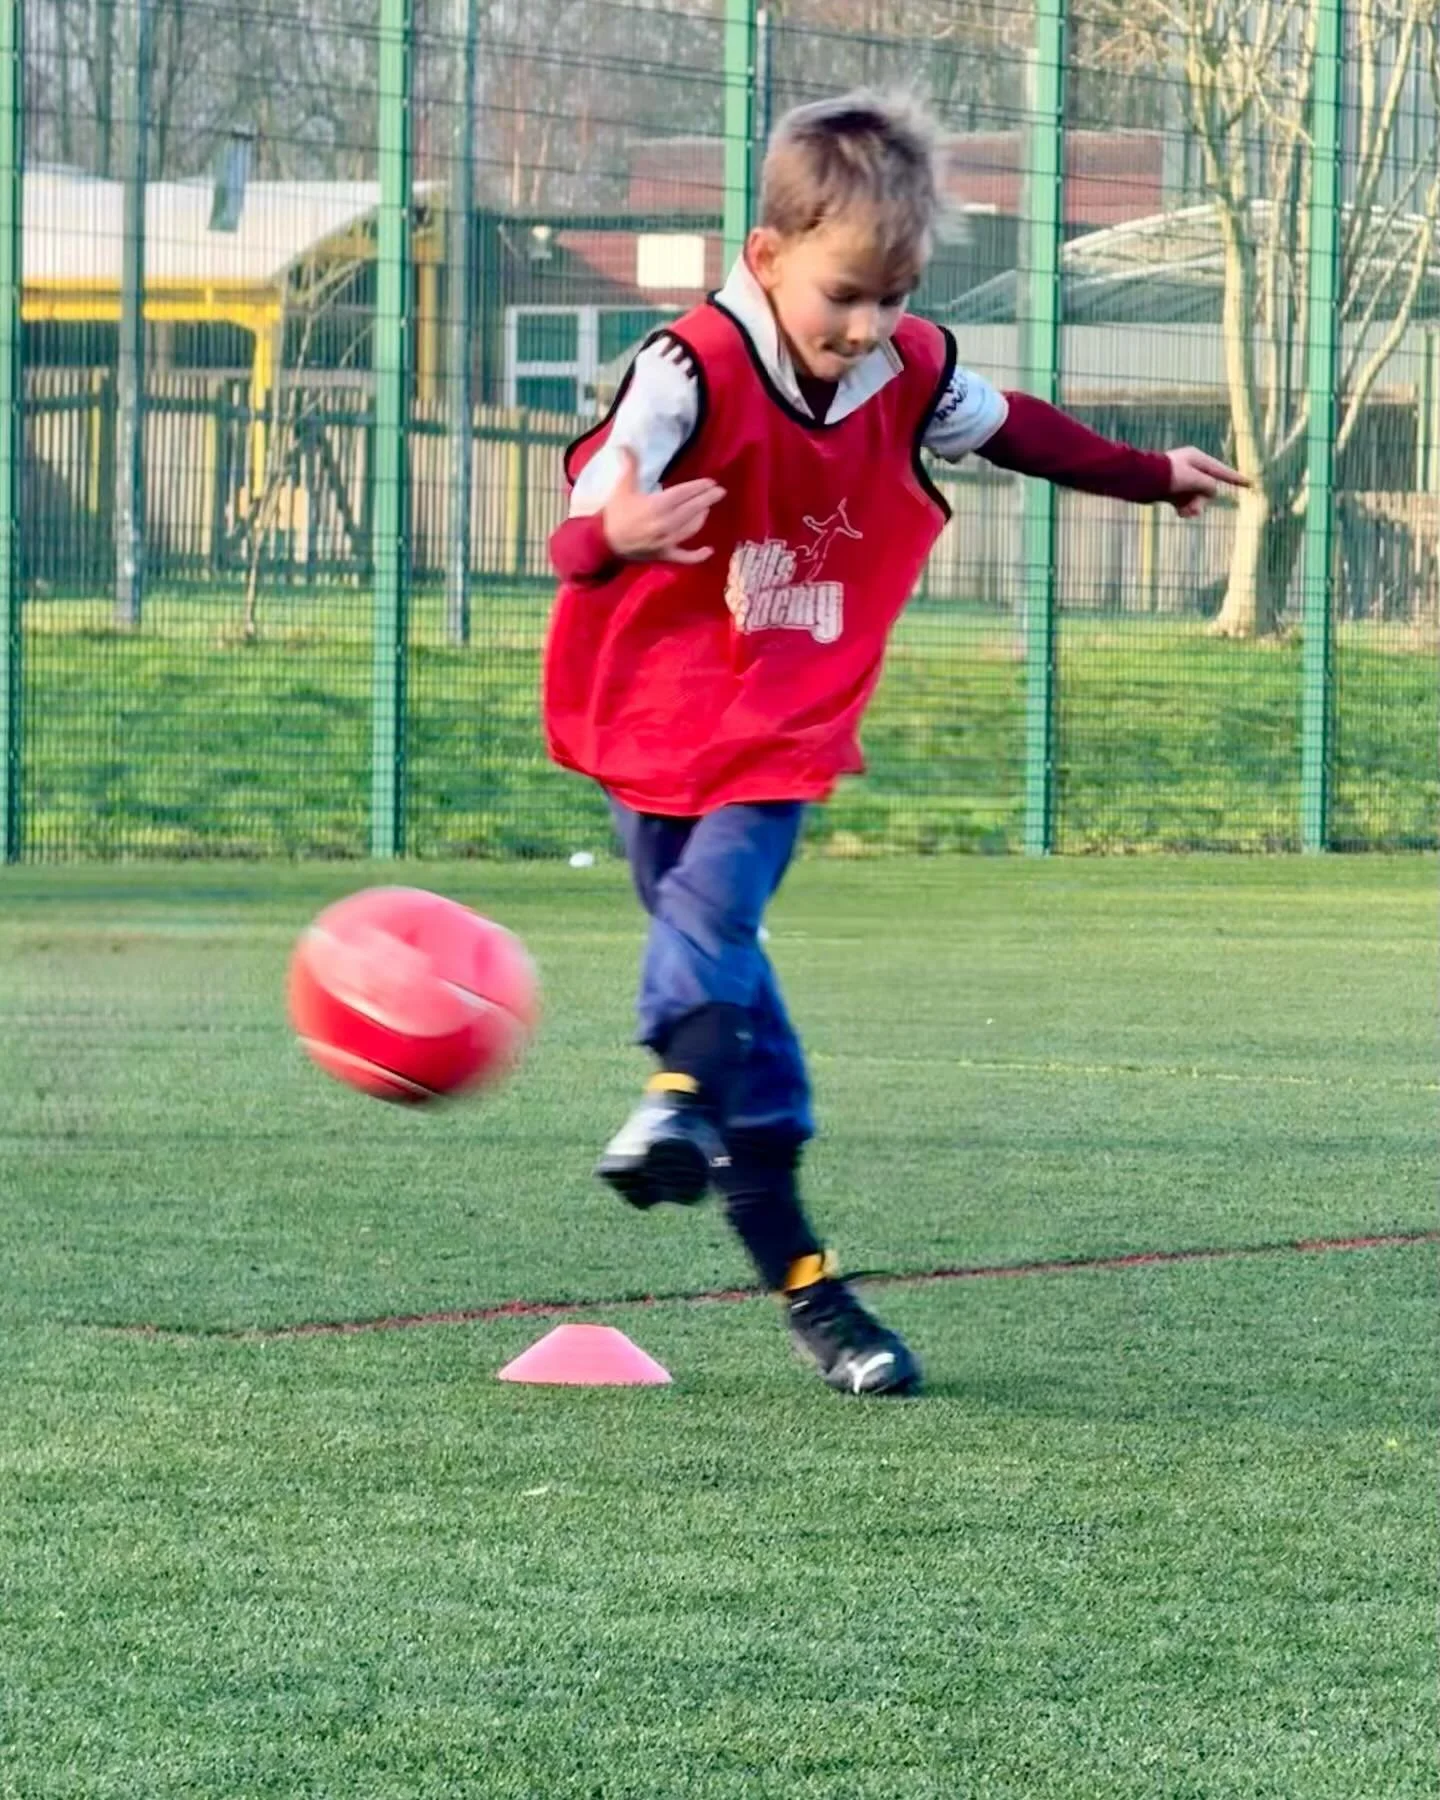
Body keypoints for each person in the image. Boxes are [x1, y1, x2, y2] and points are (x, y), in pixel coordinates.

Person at [542, 91, 1246, 1397]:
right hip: (651, 707)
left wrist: (1154, 473)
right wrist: (616, 537)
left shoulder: (903, 365)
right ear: (766, 258)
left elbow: (1016, 426)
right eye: (848, 296)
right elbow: (583, 516)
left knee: (721, 899)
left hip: (784, 715)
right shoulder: (686, 367)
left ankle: (678, 1107)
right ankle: (811, 1284)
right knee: (751, 1022)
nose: (870, 328)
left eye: (897, 296)